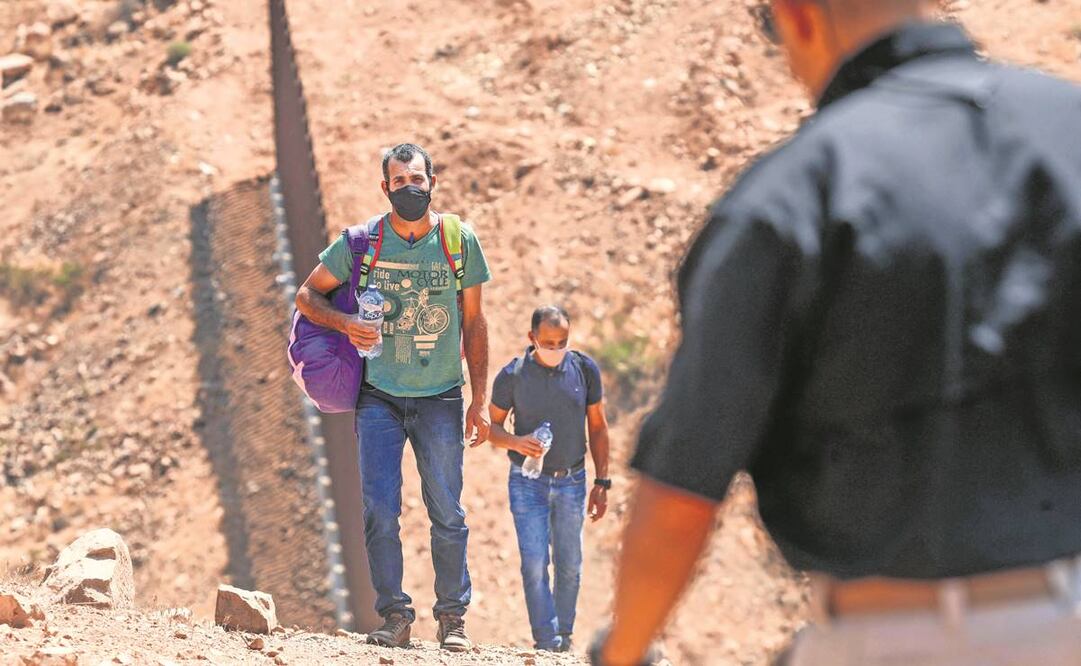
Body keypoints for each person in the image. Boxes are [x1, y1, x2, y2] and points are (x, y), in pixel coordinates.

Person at [592, 1, 1081, 664]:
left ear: (799, 16)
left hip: (895, 638)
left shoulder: (794, 192)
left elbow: (681, 495)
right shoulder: (1067, 131)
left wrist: (621, 652)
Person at [295, 143, 492, 652]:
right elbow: (307, 294)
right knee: (381, 511)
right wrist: (347, 323)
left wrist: (480, 399)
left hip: (442, 398)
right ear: (385, 188)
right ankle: (395, 617)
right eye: (399, 181)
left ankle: (453, 619)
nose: (410, 188)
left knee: (447, 509)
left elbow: (474, 321)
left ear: (433, 181)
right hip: (379, 397)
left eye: (417, 178)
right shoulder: (363, 242)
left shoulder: (457, 241)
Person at [489, 305, 612, 653]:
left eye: (562, 342)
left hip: (572, 481)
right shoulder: (512, 376)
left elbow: (599, 427)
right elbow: (491, 429)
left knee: (570, 564)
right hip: (527, 482)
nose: (556, 349)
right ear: (532, 338)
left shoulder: (584, 370)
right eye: (548, 342)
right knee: (533, 563)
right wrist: (516, 442)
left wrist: (602, 482)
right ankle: (547, 641)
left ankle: (565, 636)